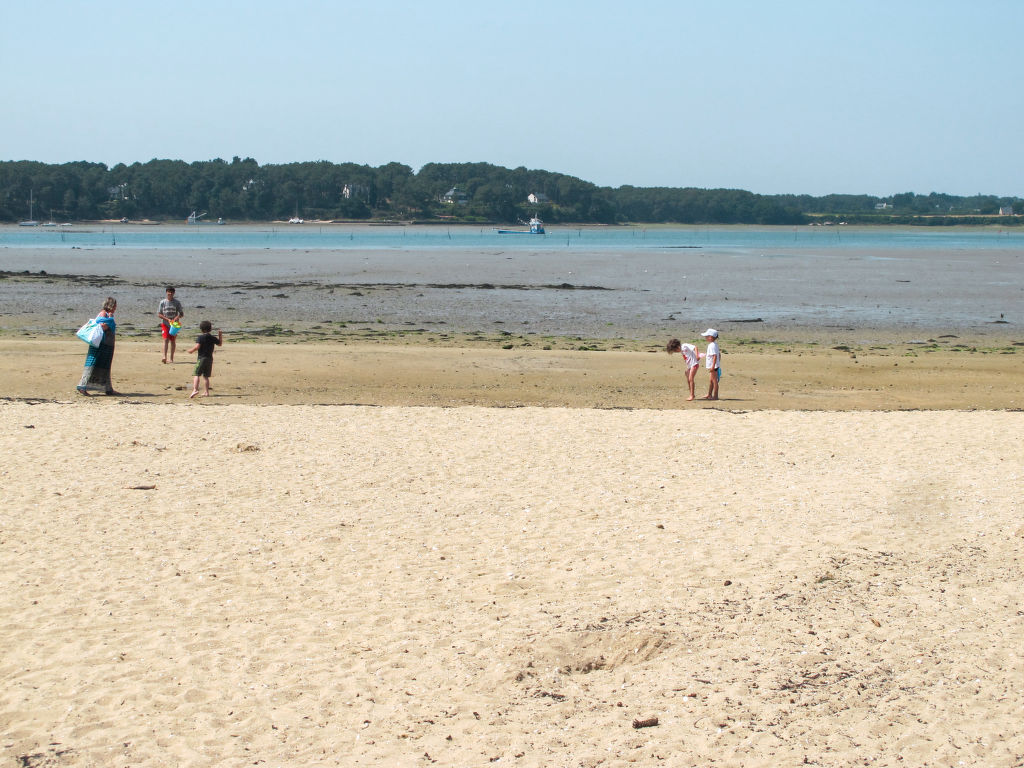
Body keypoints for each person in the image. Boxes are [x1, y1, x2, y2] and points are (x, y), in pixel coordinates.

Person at [76, 297, 121, 396]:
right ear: (110, 305)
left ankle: (108, 388)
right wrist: (110, 319)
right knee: (92, 364)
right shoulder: (103, 313)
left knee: (105, 366)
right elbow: (102, 325)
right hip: (100, 343)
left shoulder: (109, 314)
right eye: (114, 306)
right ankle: (82, 386)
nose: (115, 308)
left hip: (107, 344)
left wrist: (110, 318)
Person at [187, 320, 223, 398]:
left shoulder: (201, 337)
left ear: (201, 329)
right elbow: (220, 344)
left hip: (202, 358)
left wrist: (191, 350)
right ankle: (206, 392)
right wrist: (220, 335)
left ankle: (195, 389)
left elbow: (197, 346)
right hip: (209, 359)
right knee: (206, 376)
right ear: (210, 329)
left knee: (197, 374)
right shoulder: (212, 338)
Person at [157, 286, 184, 363]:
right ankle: (164, 356)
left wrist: (176, 317)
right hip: (165, 324)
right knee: (166, 339)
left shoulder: (177, 302)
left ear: (174, 293)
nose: (170, 294)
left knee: (173, 341)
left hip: (174, 325)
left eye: (171, 292)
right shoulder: (162, 302)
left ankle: (171, 358)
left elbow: (181, 314)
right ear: (166, 293)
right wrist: (167, 319)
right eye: (169, 292)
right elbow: (159, 314)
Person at [702, 328, 721, 400]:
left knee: (714, 381)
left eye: (706, 336)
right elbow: (719, 354)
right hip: (715, 365)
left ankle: (715, 396)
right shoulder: (715, 344)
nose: (705, 337)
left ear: (711, 337)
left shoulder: (712, 345)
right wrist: (718, 363)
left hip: (713, 366)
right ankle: (709, 394)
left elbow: (715, 356)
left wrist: (713, 366)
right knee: (711, 380)